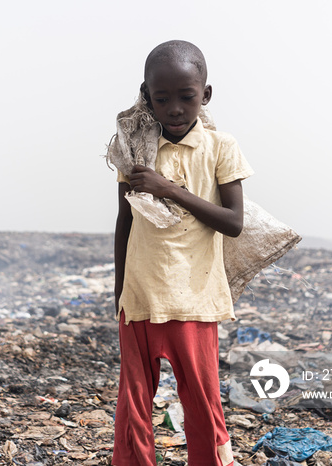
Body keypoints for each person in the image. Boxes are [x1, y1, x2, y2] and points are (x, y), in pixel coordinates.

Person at [112, 40, 254, 466]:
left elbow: (233, 222)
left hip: (195, 299)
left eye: (186, 96)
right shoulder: (135, 150)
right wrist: (120, 290)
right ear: (147, 96)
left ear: (205, 95)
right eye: (162, 98)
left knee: (202, 403)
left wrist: (169, 189)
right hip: (140, 297)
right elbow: (125, 222)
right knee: (134, 405)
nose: (174, 108)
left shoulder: (220, 147)